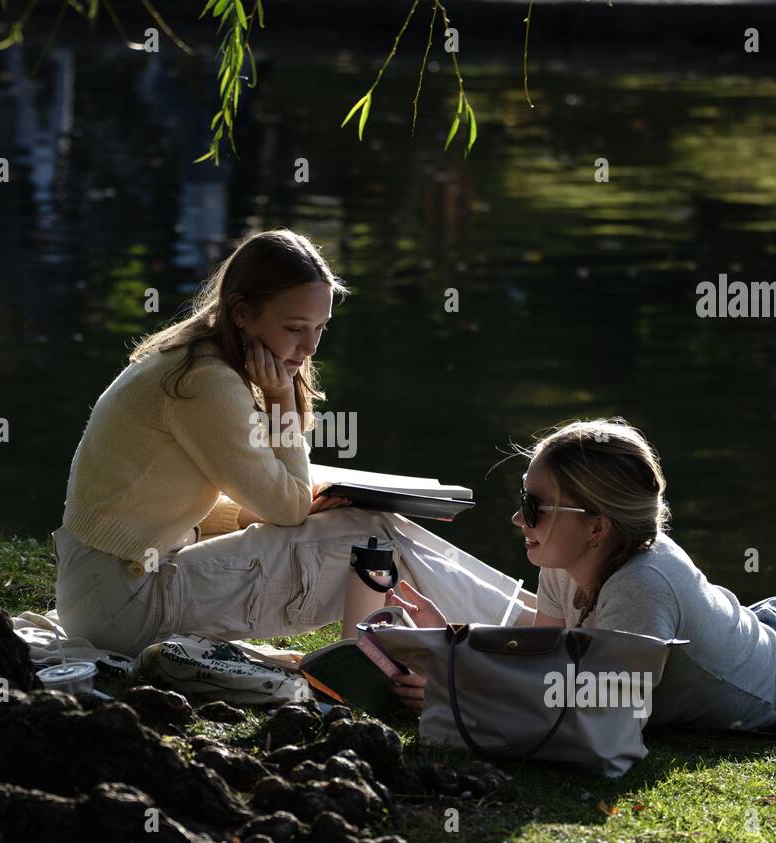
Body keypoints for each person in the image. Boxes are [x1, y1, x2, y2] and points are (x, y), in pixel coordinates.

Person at [52, 228, 536, 714]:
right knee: (370, 536)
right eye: (294, 328)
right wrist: (284, 399)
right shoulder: (206, 382)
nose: (308, 347)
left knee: (375, 529)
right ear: (241, 313)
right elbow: (286, 508)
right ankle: (533, 644)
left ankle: (532, 627)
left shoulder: (195, 361)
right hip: (124, 603)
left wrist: (248, 516)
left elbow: (158, 501)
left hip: (103, 591)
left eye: (320, 328)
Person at [386, 417, 776, 736]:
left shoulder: (641, 586)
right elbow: (546, 656)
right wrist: (455, 647)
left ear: (595, 526)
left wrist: (460, 691)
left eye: (535, 506)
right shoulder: (565, 560)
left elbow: (601, 718)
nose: (517, 519)